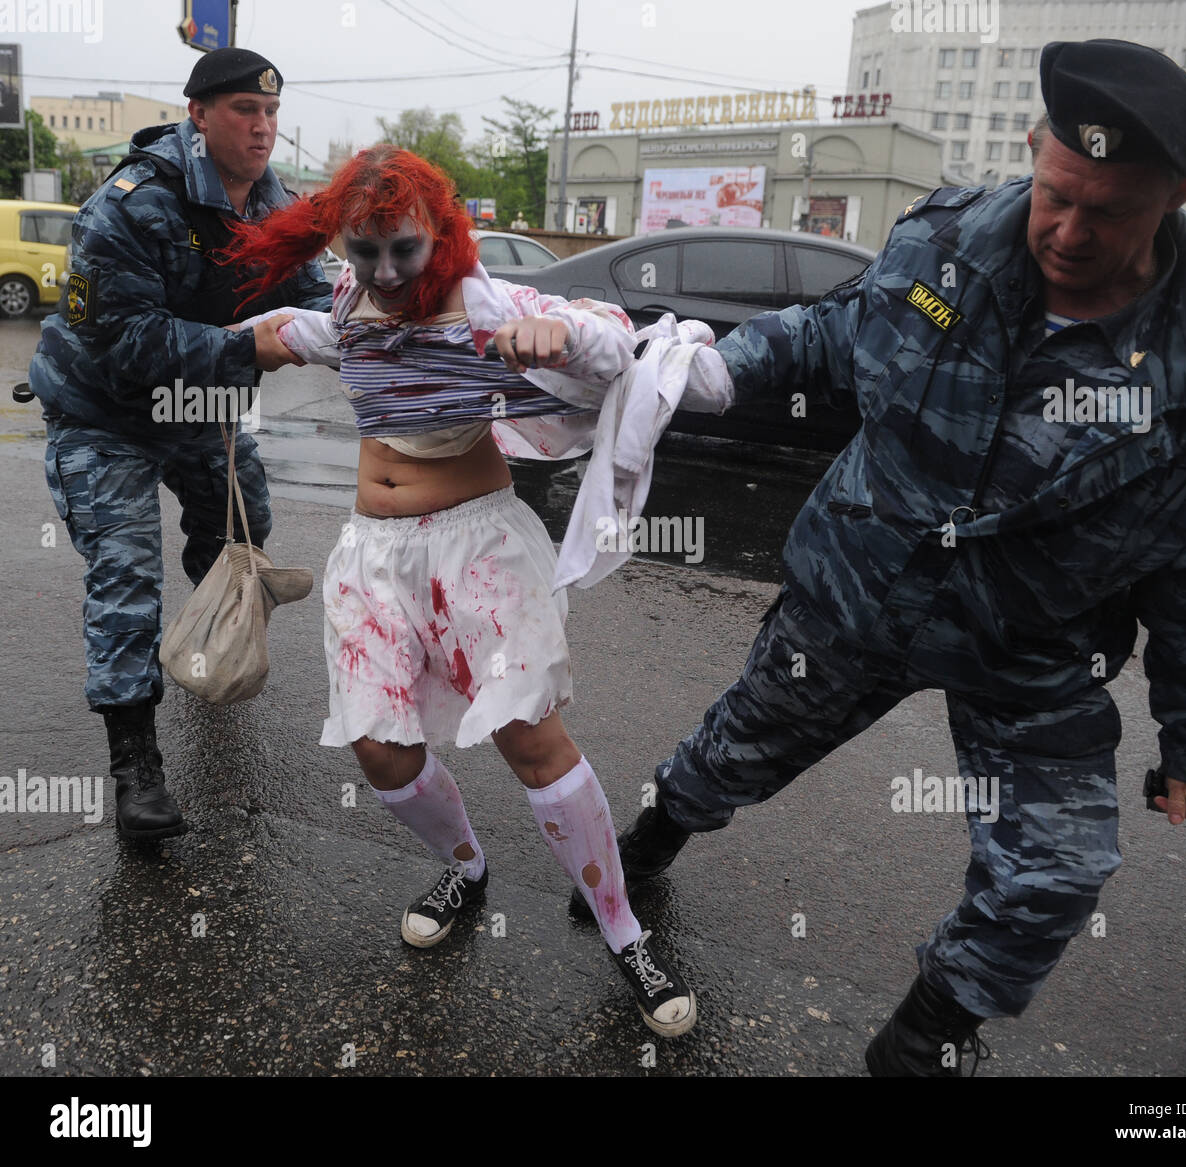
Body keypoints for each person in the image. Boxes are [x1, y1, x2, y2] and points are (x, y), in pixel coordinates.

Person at [594, 39, 1186, 1073]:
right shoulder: (948, 239)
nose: (1065, 229)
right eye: (1058, 192)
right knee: (730, 754)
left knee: (1055, 872)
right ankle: (638, 855)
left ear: (1183, 192)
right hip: (853, 591)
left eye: (1107, 212)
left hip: (1030, 646)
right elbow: (837, 331)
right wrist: (710, 370)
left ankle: (924, 1037)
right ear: (1034, 144)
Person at [222, 144, 697, 1038]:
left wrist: (564, 336)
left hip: (477, 548)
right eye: (365, 251)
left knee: (531, 741)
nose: (387, 271)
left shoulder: (485, 300)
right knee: (379, 751)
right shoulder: (348, 301)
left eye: (403, 247)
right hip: (372, 554)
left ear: (439, 230)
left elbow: (608, 341)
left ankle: (625, 933)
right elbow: (297, 331)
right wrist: (226, 346)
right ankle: (466, 865)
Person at [28, 48, 332, 840]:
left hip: (203, 411)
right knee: (127, 575)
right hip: (107, 415)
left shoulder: (278, 208)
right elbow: (125, 342)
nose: (262, 127)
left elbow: (320, 297)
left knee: (242, 537)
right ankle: (137, 770)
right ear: (199, 115)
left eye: (270, 113)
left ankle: (212, 643)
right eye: (243, 111)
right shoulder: (130, 204)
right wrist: (250, 348)